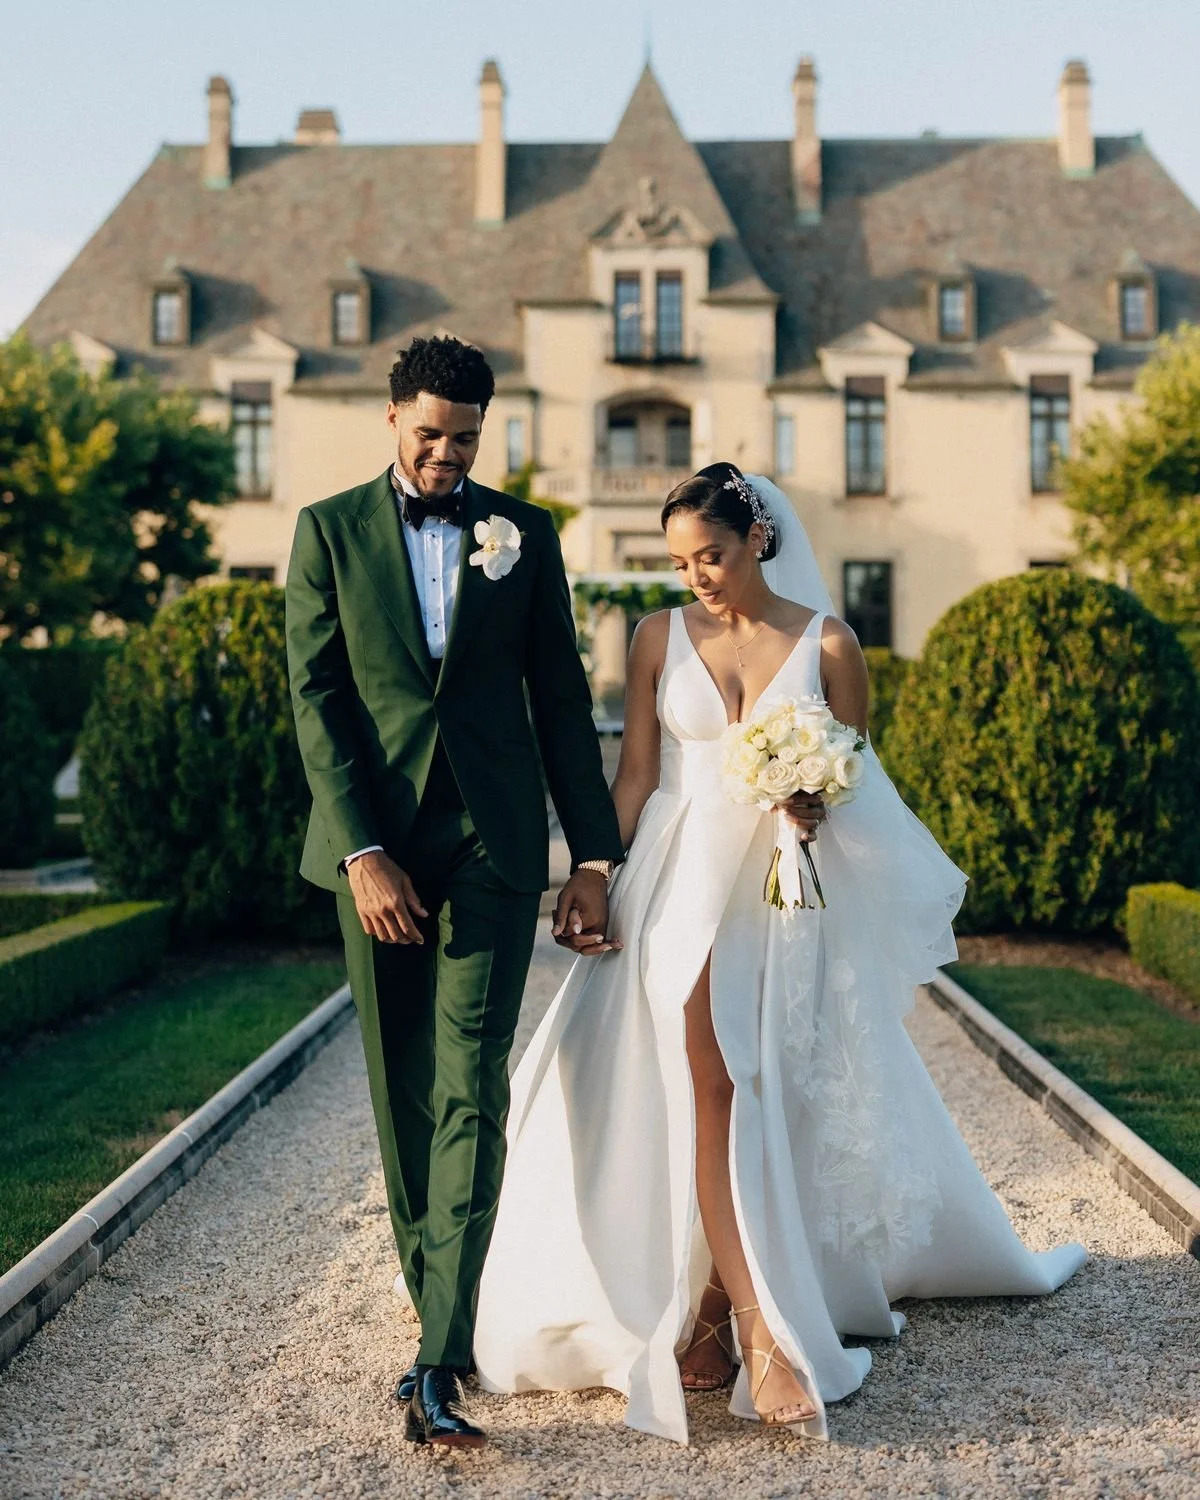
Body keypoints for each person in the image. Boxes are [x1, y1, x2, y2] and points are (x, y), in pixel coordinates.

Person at [472, 462, 1087, 1445]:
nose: (695, 577)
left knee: (747, 1090)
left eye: (708, 555)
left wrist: (812, 800)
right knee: (709, 1083)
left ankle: (715, 1316)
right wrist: (592, 871)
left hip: (780, 894)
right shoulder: (654, 638)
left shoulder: (830, 645)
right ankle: (762, 1337)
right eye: (678, 563)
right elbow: (633, 777)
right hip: (674, 880)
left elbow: (855, 791)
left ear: (756, 534)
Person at [285, 336, 624, 1449]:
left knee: (473, 1080)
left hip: (492, 841)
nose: (444, 455)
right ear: (393, 419)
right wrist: (357, 851)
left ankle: (440, 1354)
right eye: (429, 433)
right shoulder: (326, 532)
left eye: (465, 439)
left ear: (487, 433)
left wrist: (591, 855)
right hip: (376, 847)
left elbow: (563, 699)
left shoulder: (525, 534)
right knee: (404, 1094)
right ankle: (433, 1306)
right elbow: (317, 699)